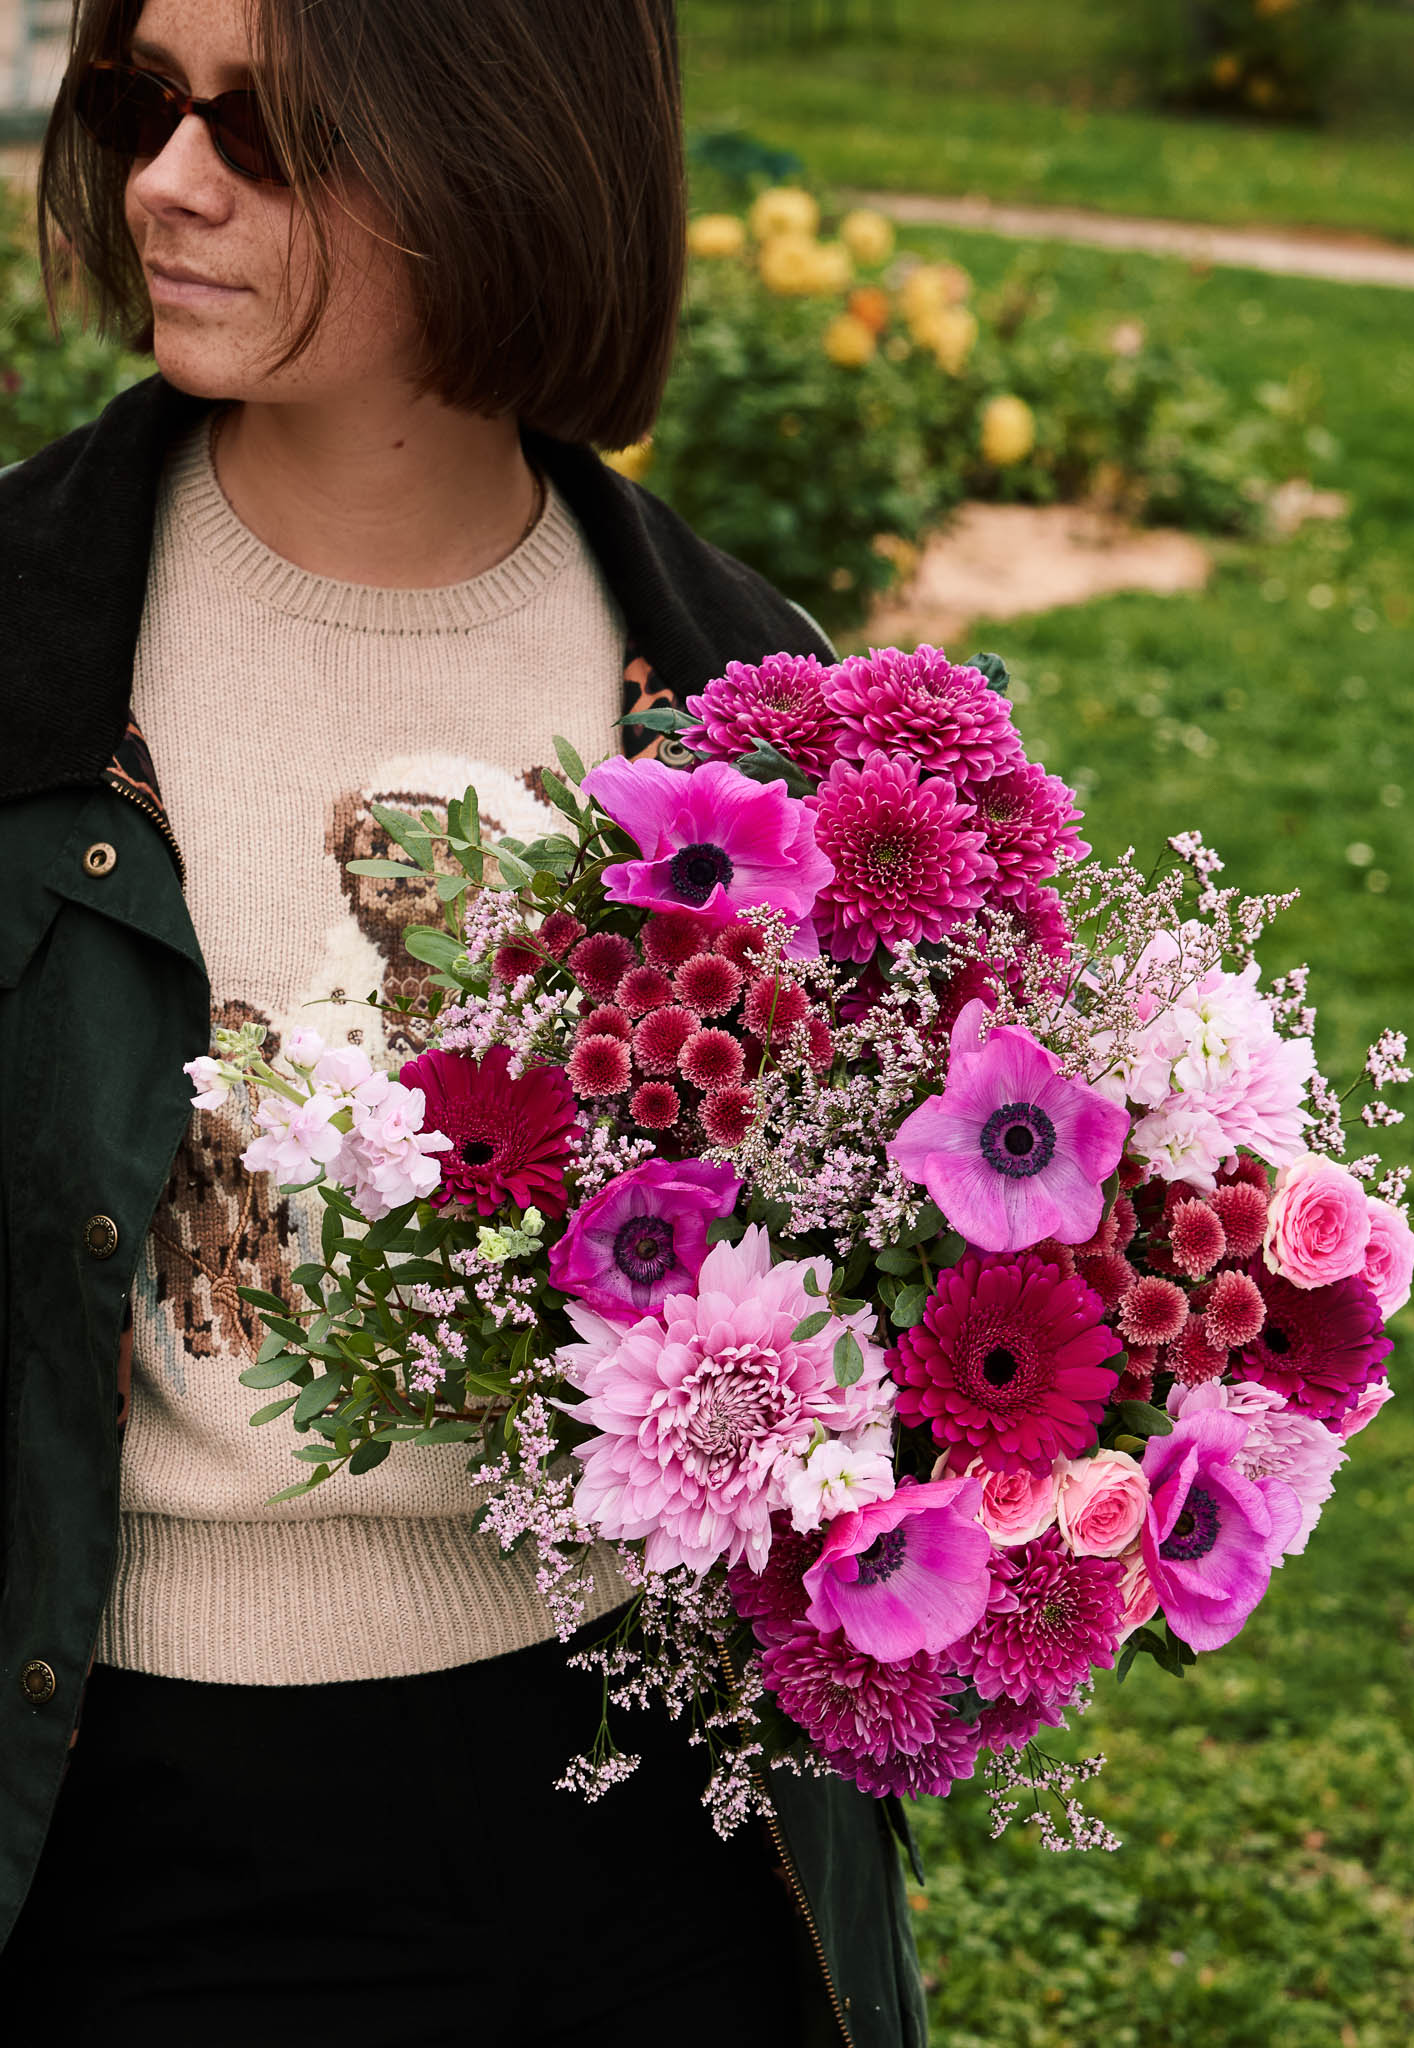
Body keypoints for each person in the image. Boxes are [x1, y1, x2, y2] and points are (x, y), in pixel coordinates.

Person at [0, 2, 926, 2040]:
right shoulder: (19, 647)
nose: (166, 181)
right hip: (118, 1824)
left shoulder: (749, 692)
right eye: (144, 100)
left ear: (491, 149)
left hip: (663, 1829)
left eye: (267, 129)